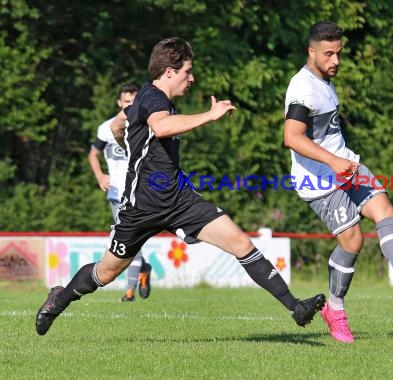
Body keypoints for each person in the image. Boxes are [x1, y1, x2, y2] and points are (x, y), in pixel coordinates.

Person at [36, 36, 325, 336]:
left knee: (240, 242)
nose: (192, 77)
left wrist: (128, 142)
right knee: (106, 272)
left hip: (178, 199)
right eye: (188, 71)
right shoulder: (152, 99)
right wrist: (209, 116)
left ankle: (296, 308)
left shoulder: (150, 101)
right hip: (141, 206)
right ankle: (60, 297)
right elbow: (160, 127)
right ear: (169, 71)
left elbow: (115, 126)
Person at [283, 21, 393, 343]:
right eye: (328, 54)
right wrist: (333, 161)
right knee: (353, 242)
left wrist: (343, 161)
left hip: (347, 166)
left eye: (339, 53)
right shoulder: (302, 88)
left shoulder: (326, 82)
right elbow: (291, 137)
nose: (336, 61)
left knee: (384, 207)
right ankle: (335, 309)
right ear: (310, 52)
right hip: (319, 182)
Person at [87, 84, 152, 302]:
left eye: (133, 102)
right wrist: (99, 176)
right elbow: (93, 154)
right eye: (126, 102)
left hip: (140, 192)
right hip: (116, 193)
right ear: (119, 103)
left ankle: (133, 284)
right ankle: (135, 280)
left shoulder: (146, 126)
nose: (129, 106)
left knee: (132, 237)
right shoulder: (106, 128)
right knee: (129, 237)